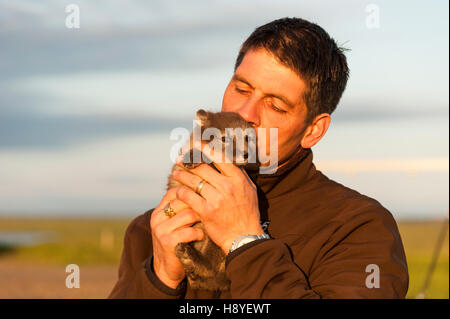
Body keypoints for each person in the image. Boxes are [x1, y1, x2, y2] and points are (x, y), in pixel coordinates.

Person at [109, 17, 409, 299]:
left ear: (313, 130)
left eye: (276, 105)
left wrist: (246, 242)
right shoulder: (153, 227)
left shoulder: (357, 228)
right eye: (241, 89)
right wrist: (159, 280)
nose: (245, 114)